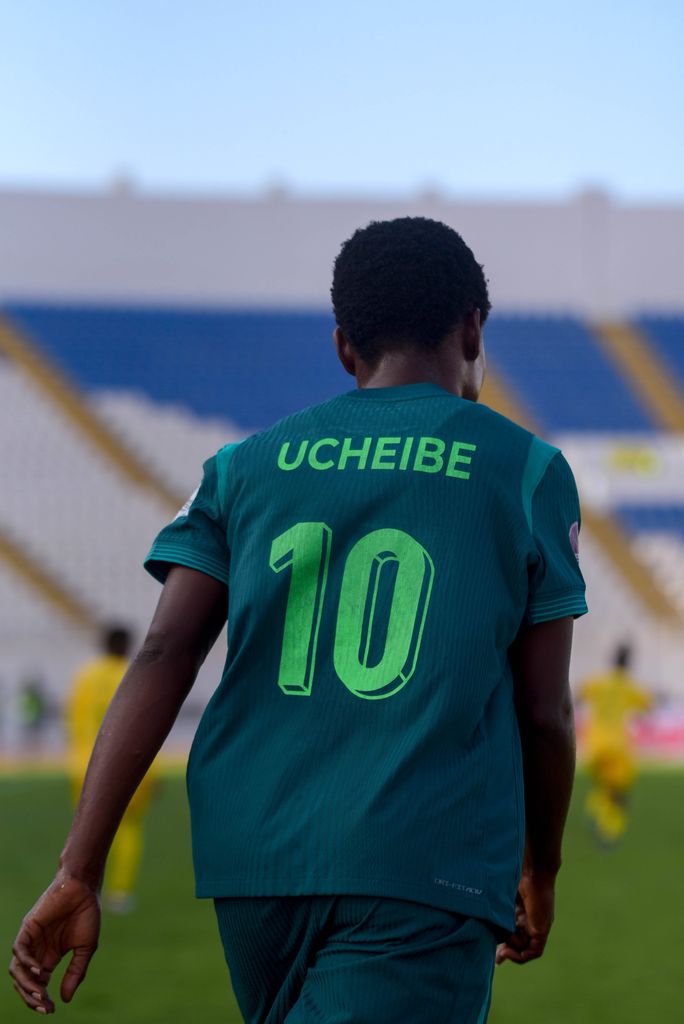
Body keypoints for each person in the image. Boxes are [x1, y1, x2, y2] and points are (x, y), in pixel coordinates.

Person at [10, 217, 587, 1022]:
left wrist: (78, 868)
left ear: (344, 346)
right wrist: (543, 865)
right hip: (422, 862)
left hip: (254, 867)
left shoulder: (242, 466)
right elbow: (545, 709)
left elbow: (165, 652)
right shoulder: (526, 469)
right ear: (473, 328)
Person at [64, 625, 156, 912]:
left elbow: (73, 719)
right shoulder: (132, 676)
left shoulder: (86, 676)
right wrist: (153, 770)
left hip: (84, 765)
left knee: (87, 832)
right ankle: (120, 893)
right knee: (128, 828)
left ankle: (84, 887)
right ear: (127, 645)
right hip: (127, 765)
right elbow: (145, 726)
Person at [581, 643, 651, 845]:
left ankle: (594, 810)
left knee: (604, 784)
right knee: (620, 793)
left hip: (595, 745)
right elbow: (648, 705)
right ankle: (608, 831)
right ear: (628, 663)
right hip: (617, 746)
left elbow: (578, 693)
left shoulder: (598, 682)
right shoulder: (630, 687)